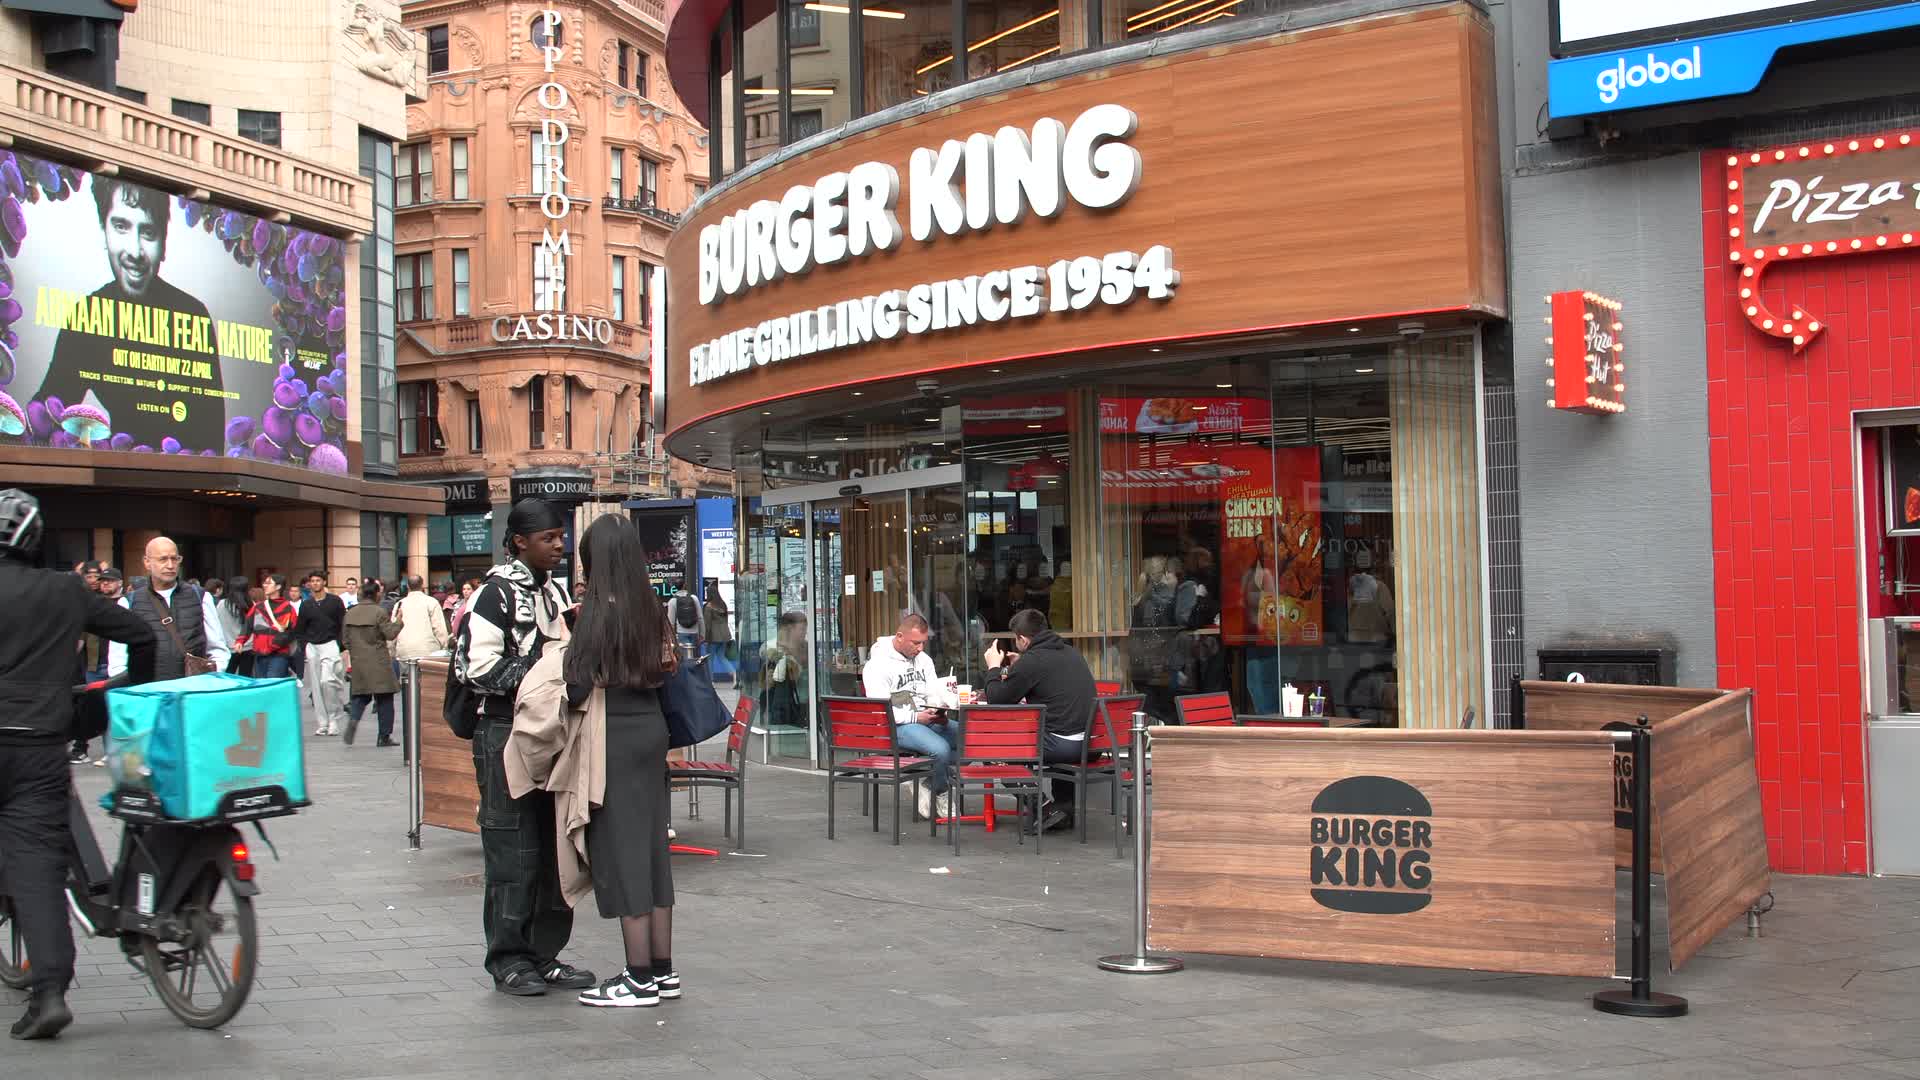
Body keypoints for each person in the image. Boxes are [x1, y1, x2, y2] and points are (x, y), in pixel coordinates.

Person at [0, 489, 156, 1040]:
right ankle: (48, 994)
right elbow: (140, 635)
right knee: (38, 866)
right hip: (42, 744)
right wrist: (113, 698)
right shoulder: (64, 590)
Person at [508, 515, 683, 1008]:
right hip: (651, 734)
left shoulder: (597, 615)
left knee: (621, 853)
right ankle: (663, 971)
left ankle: (637, 977)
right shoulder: (652, 609)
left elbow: (578, 680)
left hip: (614, 739)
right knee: (651, 851)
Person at [452, 498, 592, 997]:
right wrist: (541, 677)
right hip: (503, 734)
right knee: (513, 850)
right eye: (548, 538)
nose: (559, 545)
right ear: (518, 541)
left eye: (560, 536)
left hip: (548, 731)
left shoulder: (551, 593)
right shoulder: (493, 595)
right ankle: (508, 957)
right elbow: (474, 667)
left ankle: (543, 953)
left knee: (554, 848)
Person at [35, 176, 224, 452]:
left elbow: (212, 444)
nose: (135, 251)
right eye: (121, 226)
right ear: (104, 230)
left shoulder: (192, 315)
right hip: (112, 484)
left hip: (184, 487)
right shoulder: (89, 315)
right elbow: (47, 411)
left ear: (164, 242)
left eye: (148, 232)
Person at [983, 608, 1096, 836]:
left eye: (1016, 639)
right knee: (1054, 728)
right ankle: (1063, 808)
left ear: (1022, 639)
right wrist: (1021, 665)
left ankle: (1042, 807)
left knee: (993, 750)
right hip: (1089, 744)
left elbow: (997, 698)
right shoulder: (1071, 653)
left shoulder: (1033, 661)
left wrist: (994, 666)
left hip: (1060, 744)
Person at [861, 613, 959, 821]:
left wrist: (940, 709)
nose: (920, 648)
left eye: (923, 643)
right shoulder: (877, 665)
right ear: (899, 637)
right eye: (916, 643)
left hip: (924, 717)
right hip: (896, 725)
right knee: (940, 749)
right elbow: (881, 711)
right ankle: (941, 792)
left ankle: (930, 781)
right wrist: (915, 717)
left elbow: (932, 692)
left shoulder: (924, 660)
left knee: (969, 738)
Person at [107, 537, 229, 683]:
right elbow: (117, 660)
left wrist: (210, 678)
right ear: (147, 562)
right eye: (163, 559)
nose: (170, 565)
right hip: (149, 694)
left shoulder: (200, 597)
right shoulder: (128, 602)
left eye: (174, 559)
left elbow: (217, 649)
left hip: (194, 692)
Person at [343, 580, 403, 747]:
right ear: (377, 594)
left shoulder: (350, 613)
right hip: (379, 661)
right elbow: (390, 634)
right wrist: (398, 621)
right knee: (384, 699)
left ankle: (354, 719)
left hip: (359, 661)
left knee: (360, 697)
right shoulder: (379, 612)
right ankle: (384, 736)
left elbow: (345, 640)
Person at [296, 570, 349, 736]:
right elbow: (300, 628)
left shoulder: (335, 601)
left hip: (331, 644)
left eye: (318, 580)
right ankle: (323, 723)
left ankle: (333, 718)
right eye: (312, 581)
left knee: (328, 681)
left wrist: (342, 646)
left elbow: (343, 624)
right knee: (317, 686)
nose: (315, 583)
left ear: (324, 582)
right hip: (312, 646)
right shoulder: (306, 604)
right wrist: (304, 645)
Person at [244, 574, 299, 679]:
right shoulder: (258, 607)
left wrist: (273, 645)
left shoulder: (287, 608)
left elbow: (292, 632)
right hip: (260, 654)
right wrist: (240, 641)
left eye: (268, 583)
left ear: (278, 587)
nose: (264, 585)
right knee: (261, 686)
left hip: (279, 655)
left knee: (273, 684)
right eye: (264, 583)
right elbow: (248, 625)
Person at [217, 576, 253, 677]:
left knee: (227, 677)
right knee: (245, 678)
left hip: (228, 647)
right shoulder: (250, 605)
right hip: (248, 646)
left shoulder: (222, 604)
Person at [702, 580, 731, 663]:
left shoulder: (708, 607)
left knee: (709, 660)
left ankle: (710, 676)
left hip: (713, 637)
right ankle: (733, 673)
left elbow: (707, 625)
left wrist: (706, 639)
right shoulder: (723, 604)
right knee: (722, 658)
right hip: (725, 635)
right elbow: (726, 620)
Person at [669, 580, 702, 655]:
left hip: (681, 632)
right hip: (695, 631)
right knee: (695, 657)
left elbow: (671, 622)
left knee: (684, 658)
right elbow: (700, 617)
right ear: (685, 585)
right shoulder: (694, 598)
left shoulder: (673, 601)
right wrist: (702, 634)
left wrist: (672, 639)